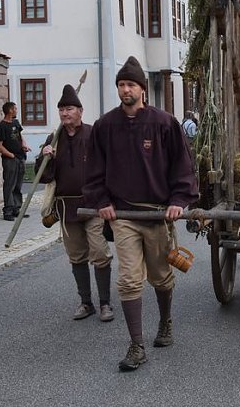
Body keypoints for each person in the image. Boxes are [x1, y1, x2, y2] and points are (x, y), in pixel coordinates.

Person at [84, 56, 199, 372]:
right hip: (123, 216)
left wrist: (178, 199)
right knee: (130, 280)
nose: (125, 90)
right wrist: (102, 200)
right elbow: (94, 169)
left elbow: (182, 164)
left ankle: (165, 322)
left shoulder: (163, 123)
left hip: (157, 215)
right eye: (121, 85)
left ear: (142, 90)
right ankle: (136, 346)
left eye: (130, 85)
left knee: (161, 277)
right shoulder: (105, 126)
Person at [37, 85, 114, 322]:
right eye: (61, 109)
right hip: (66, 208)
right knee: (77, 256)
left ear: (80, 111)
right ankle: (86, 302)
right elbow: (46, 177)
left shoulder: (93, 134)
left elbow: (108, 168)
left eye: (69, 108)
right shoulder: (54, 139)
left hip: (93, 205)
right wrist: (45, 157)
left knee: (100, 253)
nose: (64, 113)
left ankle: (105, 303)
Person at [0, 102, 31, 221]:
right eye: (15, 108)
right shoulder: (2, 126)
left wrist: (24, 145)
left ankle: (16, 208)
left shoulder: (15, 122)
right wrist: (10, 155)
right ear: (10, 110)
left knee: (18, 184)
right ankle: (8, 210)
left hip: (20, 157)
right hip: (10, 159)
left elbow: (20, 136)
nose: (16, 110)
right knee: (10, 184)